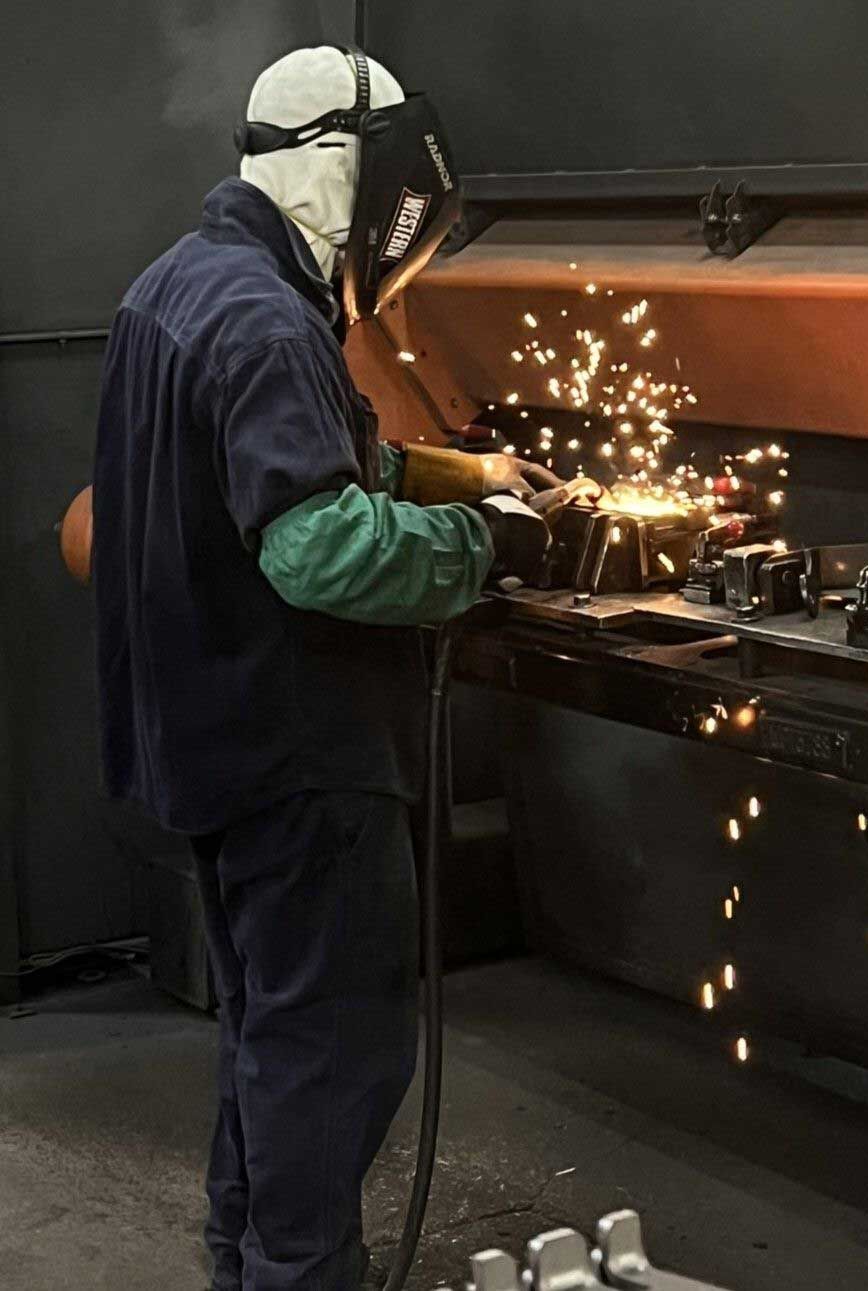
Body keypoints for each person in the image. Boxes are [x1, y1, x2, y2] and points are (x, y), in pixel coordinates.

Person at [91, 44, 593, 1291]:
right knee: (333, 1050)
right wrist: (487, 543)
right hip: (294, 755)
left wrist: (464, 474)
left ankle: (247, 1260)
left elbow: (295, 469)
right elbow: (319, 549)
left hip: (206, 744)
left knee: (270, 1035)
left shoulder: (182, 284)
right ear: (352, 178)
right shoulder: (266, 321)